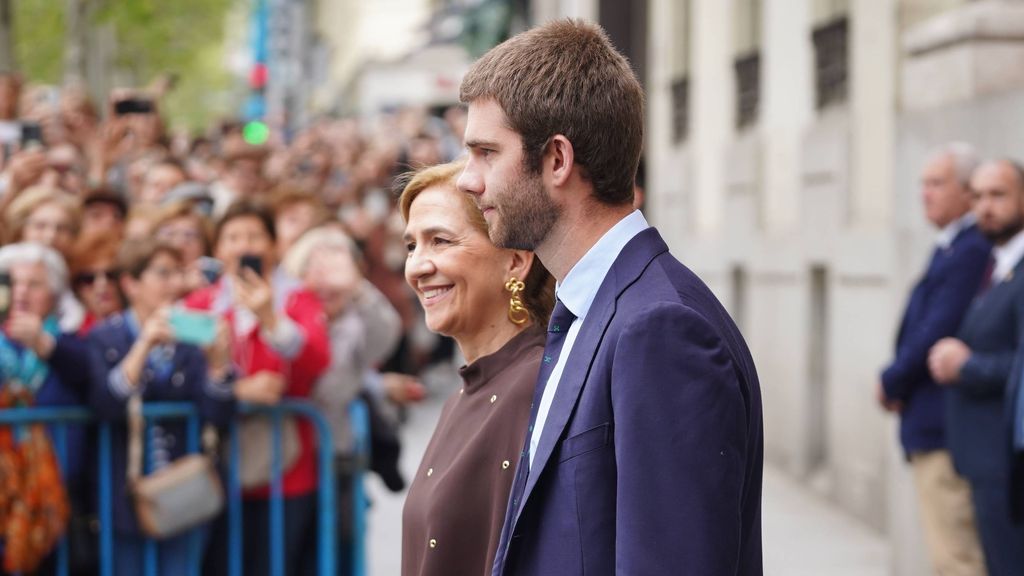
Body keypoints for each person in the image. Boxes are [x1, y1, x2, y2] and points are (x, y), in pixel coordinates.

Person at [456, 20, 763, 575]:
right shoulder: (587, 308)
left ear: (556, 160)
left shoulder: (661, 329)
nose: (466, 180)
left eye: (484, 153)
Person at [399, 160, 554, 576]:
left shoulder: (536, 389)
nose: (417, 266)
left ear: (516, 261)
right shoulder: (463, 395)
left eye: (440, 241)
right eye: (411, 245)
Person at [185, 199, 329, 576]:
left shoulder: (298, 298)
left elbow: (316, 362)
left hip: (287, 466)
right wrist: (237, 391)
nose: (243, 245)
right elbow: (182, 376)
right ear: (217, 249)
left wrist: (270, 318)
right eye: (232, 237)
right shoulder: (200, 305)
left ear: (273, 245)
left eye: (254, 236)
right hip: (216, 468)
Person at [85, 239, 237, 576]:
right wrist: (143, 347)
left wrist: (219, 366)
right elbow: (105, 406)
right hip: (123, 497)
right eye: (163, 274)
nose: (175, 284)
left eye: (179, 274)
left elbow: (219, 413)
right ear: (130, 284)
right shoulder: (104, 337)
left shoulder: (194, 335)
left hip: (185, 493)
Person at [878, 144, 990, 574]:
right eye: (923, 183)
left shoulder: (971, 249)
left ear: (967, 192)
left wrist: (892, 381)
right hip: (931, 422)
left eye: (937, 183)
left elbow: (936, 328)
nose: (925, 193)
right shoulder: (951, 246)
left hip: (945, 428)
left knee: (955, 558)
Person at [282, 226, 403, 576]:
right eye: (315, 268)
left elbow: (387, 335)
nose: (327, 283)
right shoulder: (284, 313)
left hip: (337, 453)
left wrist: (357, 287)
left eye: (336, 267)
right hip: (286, 457)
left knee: (338, 549)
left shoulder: (359, 317)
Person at [928, 159, 1024, 575]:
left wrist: (966, 366)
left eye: (998, 195)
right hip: (981, 459)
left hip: (1005, 459)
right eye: (979, 196)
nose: (985, 206)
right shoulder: (993, 265)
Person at [69, 230, 126, 334]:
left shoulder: (142, 328)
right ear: (77, 288)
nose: (101, 284)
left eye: (110, 275)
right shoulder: (71, 337)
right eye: (88, 279)